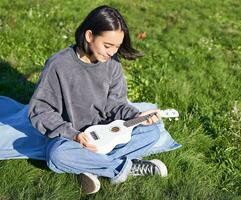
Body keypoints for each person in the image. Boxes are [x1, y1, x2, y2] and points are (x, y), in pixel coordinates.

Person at [21, 5, 174, 194]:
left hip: (107, 133)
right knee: (57, 155)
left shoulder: (112, 64)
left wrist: (138, 115)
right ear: (89, 36)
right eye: (108, 46)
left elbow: (116, 104)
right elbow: (41, 110)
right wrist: (72, 134)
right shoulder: (59, 65)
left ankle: (90, 166)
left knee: (152, 133)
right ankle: (124, 168)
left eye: (117, 47)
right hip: (72, 138)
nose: (112, 52)